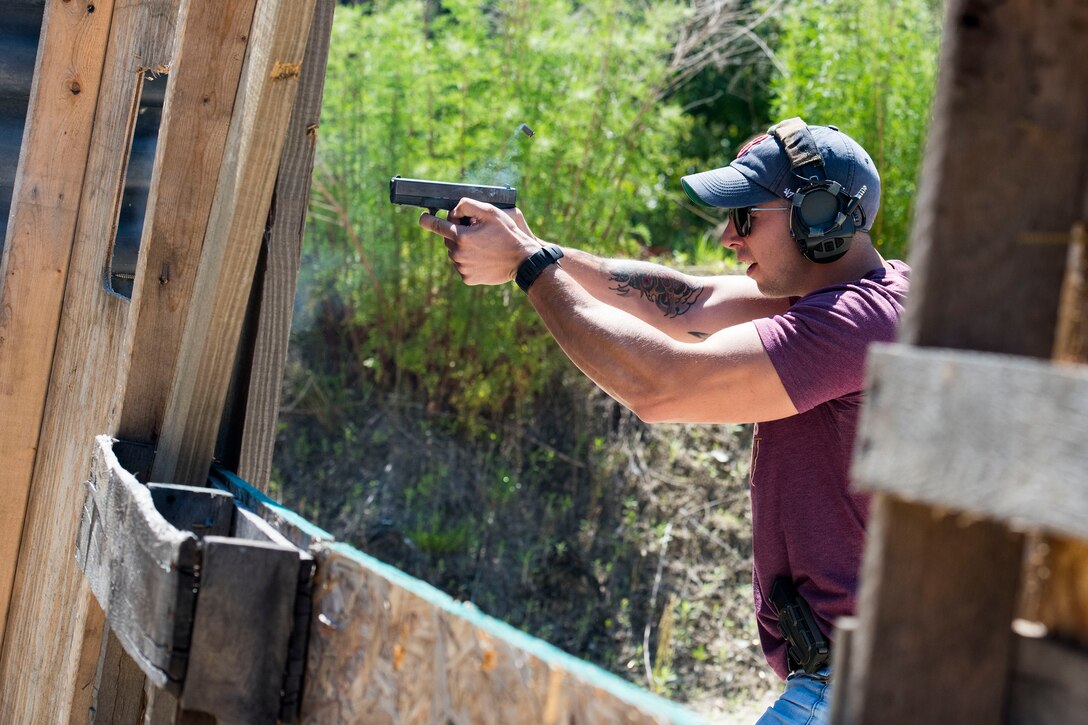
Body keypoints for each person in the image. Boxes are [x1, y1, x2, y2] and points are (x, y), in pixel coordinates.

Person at [419, 118, 910, 724]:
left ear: (818, 216)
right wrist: (530, 245)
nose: (729, 237)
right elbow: (688, 303)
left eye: (747, 217)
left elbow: (662, 386)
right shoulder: (863, 293)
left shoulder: (855, 326)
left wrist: (528, 269)